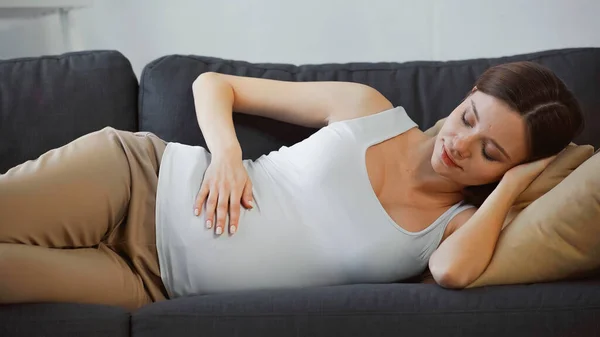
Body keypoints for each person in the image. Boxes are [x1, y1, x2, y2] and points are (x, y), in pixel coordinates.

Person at [0, 61, 584, 310]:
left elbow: (454, 274)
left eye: (490, 151)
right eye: (469, 117)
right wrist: (228, 155)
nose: (460, 144)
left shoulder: (449, 231)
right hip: (137, 180)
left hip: (148, 284)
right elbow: (214, 84)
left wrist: (510, 187)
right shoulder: (368, 109)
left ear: (507, 168)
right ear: (464, 98)